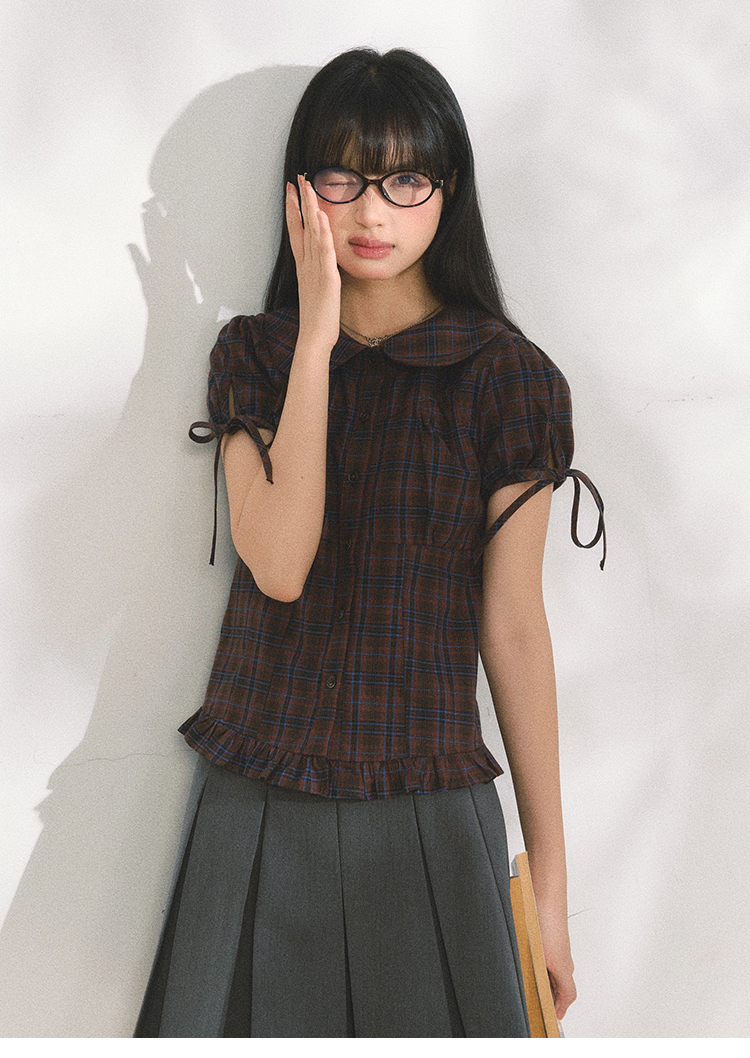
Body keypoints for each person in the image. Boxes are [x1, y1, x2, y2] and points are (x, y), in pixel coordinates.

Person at [134, 46, 606, 1039]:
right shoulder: (255, 355)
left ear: (448, 188)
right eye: (342, 177)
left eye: (405, 180)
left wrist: (552, 892)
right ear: (300, 189)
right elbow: (280, 563)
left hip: (428, 814)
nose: (371, 212)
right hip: (256, 805)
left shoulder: (507, 379)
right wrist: (315, 341)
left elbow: (516, 630)